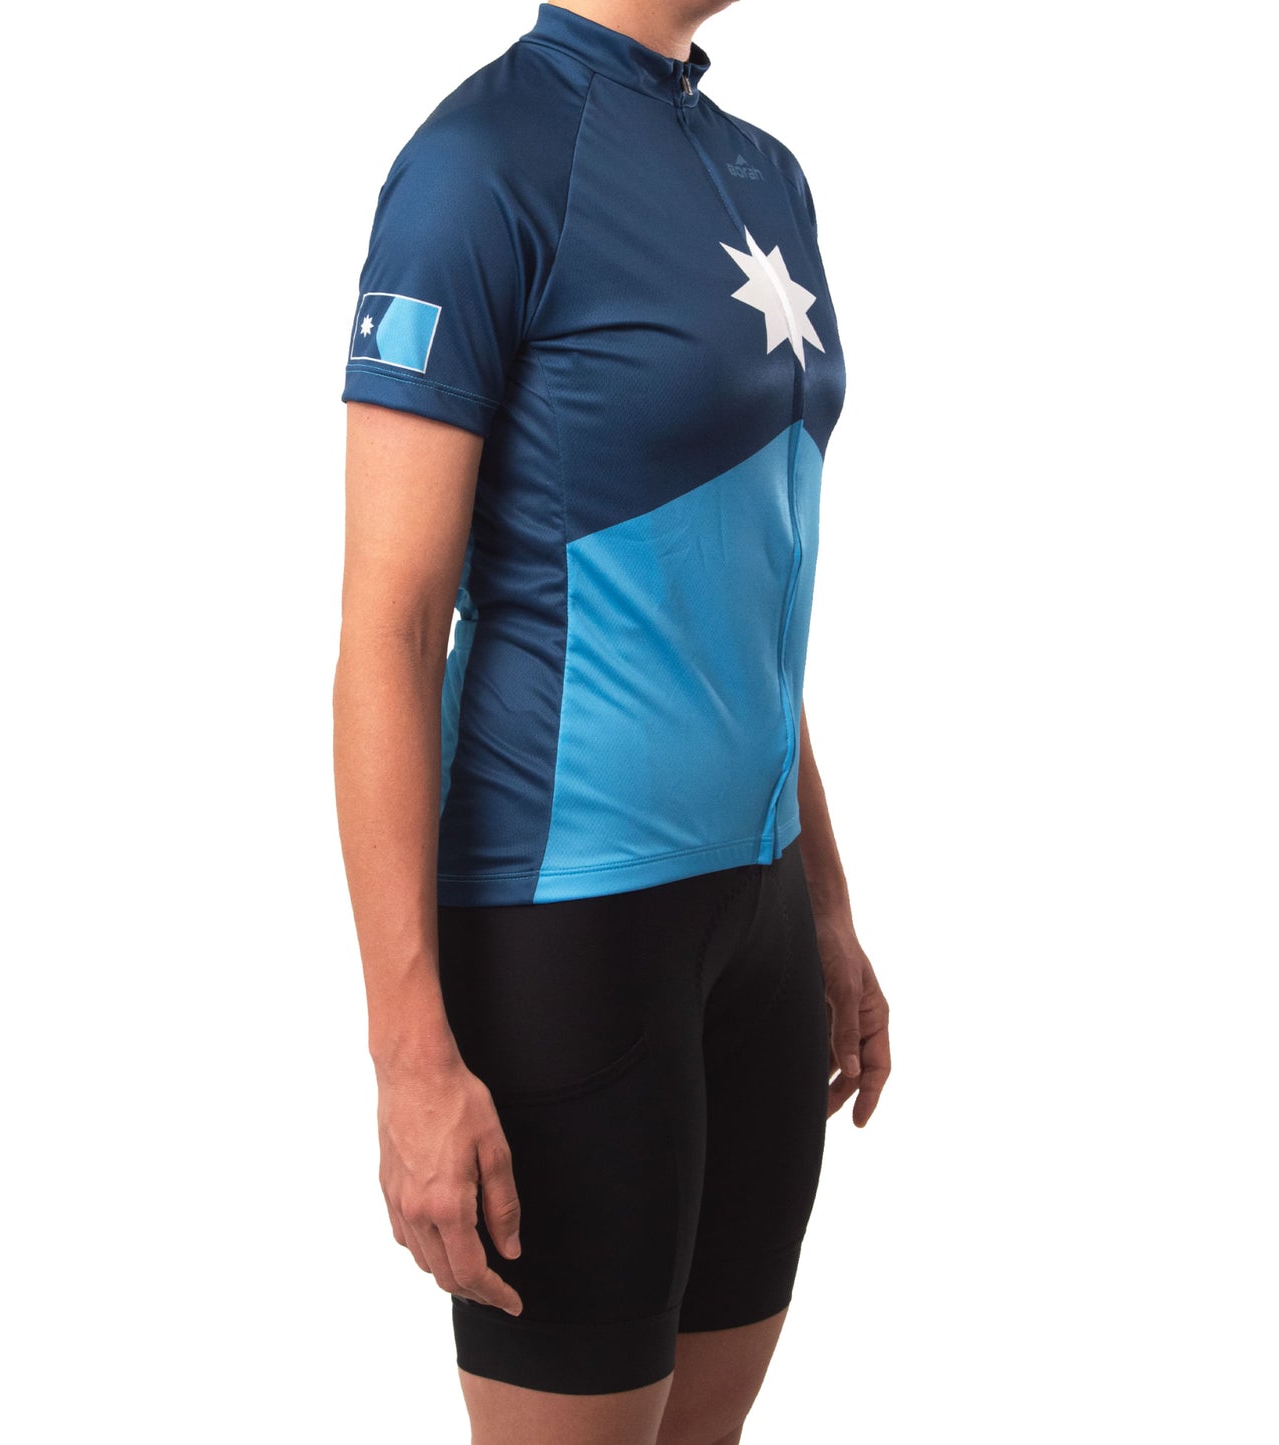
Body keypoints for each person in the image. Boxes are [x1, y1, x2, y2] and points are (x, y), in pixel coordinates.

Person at [333, 1, 891, 1439]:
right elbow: (389, 632)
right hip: (569, 927)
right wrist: (407, 1051)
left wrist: (826, 906)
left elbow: (742, 585)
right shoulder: (480, 164)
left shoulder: (764, 171)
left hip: (759, 919)